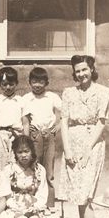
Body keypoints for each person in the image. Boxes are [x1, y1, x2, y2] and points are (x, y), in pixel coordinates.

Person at [59, 55, 109, 218]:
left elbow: (101, 123)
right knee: (77, 195)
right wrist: (68, 149)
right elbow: (63, 122)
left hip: (93, 143)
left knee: (85, 193)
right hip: (72, 142)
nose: (81, 74)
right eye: (77, 71)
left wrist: (87, 149)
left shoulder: (103, 92)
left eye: (84, 70)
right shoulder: (69, 93)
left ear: (92, 69)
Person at [0, 135, 49, 218]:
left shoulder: (39, 170)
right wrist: (16, 207)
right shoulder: (9, 170)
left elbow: (42, 192)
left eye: (26, 151)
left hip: (33, 206)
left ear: (32, 151)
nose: (24, 155)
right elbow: (5, 194)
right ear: (15, 153)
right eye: (20, 152)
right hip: (15, 208)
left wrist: (36, 206)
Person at [22, 67, 61, 210]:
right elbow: (25, 120)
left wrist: (55, 128)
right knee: (34, 168)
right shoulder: (27, 98)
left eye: (41, 82)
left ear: (46, 82)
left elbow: (60, 116)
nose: (37, 85)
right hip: (35, 136)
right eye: (34, 81)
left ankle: (50, 204)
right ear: (29, 82)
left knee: (49, 170)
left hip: (49, 135)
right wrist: (27, 137)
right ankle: (34, 201)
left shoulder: (52, 97)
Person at [0, 67, 28, 168]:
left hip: (17, 135)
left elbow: (25, 122)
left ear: (16, 83)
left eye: (11, 84)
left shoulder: (21, 100)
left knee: (16, 162)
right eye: (4, 84)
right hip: (0, 135)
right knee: (1, 163)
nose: (8, 87)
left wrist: (26, 139)